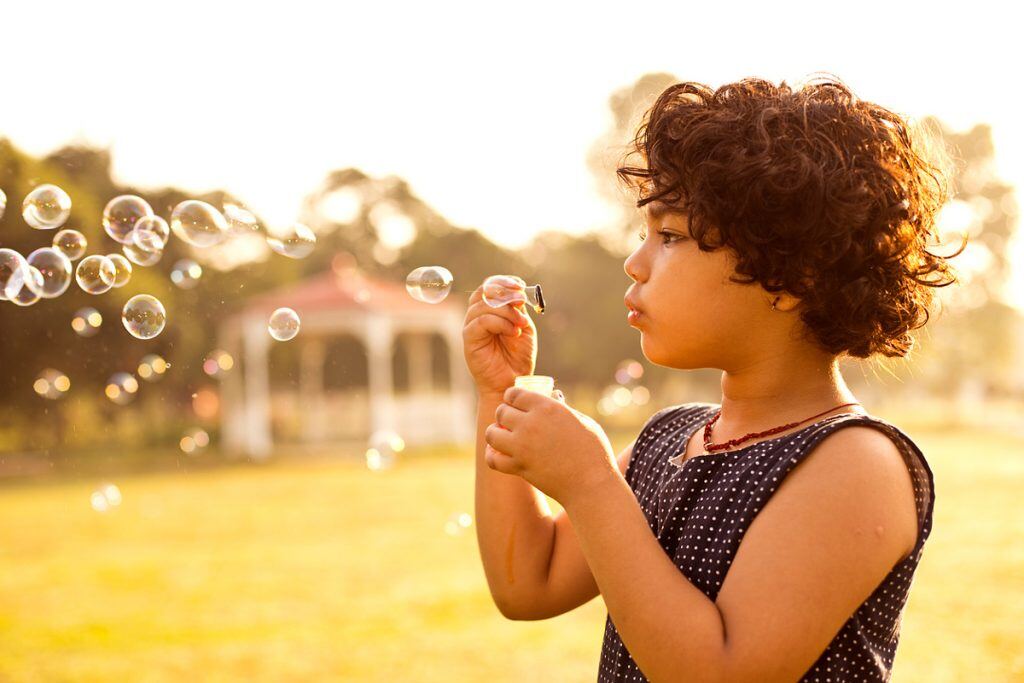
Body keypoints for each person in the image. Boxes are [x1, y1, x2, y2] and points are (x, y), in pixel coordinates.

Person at [463, 73, 963, 682]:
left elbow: (721, 671)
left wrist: (592, 484)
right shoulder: (666, 442)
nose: (634, 261)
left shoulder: (855, 462)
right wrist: (500, 391)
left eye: (669, 235)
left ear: (791, 275)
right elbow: (527, 582)